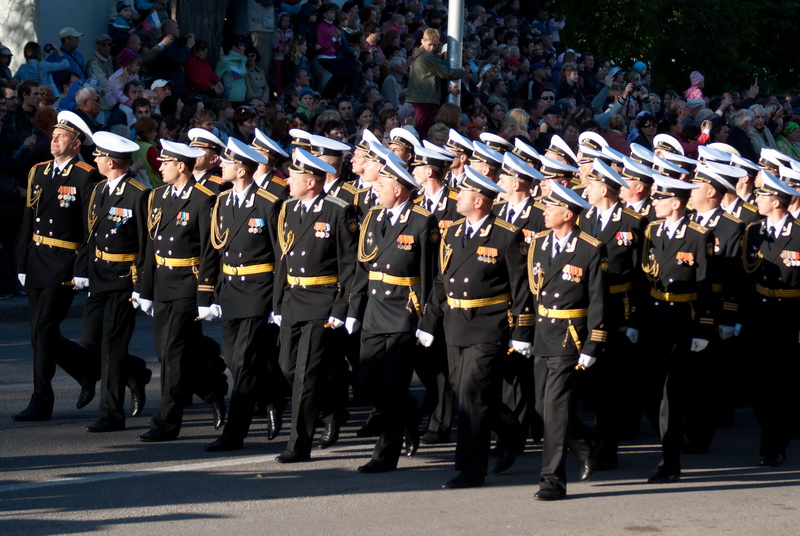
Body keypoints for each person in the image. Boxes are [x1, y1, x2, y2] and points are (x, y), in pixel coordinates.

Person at [416, 167, 532, 489]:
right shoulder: (453, 232)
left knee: (473, 394)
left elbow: (521, 288)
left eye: (464, 193)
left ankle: (471, 468)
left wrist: (522, 332)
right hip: (456, 324)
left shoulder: (506, 235)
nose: (458, 196)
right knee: (468, 391)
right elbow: (442, 279)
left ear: (480, 201)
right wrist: (429, 321)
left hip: (488, 326)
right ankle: (510, 430)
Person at [346, 149, 438, 472]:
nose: (378, 190)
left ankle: (384, 456)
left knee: (394, 384)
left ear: (398, 189)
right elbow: (362, 268)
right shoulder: (373, 217)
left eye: (383, 184)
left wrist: (427, 321)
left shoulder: (423, 222)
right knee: (367, 381)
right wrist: (353, 311)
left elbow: (430, 277)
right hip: (374, 310)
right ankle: (408, 414)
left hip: (403, 311)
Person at [136, 139, 227, 442]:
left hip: (188, 283)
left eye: (165, 162)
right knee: (169, 353)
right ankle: (213, 390)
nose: (159, 167)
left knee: (173, 352)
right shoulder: (158, 196)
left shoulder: (203, 199)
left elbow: (208, 251)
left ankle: (166, 421)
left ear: (181, 166)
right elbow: (150, 246)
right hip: (163, 282)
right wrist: (145, 289)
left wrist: (205, 294)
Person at [272, 148, 358, 463]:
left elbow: (349, 266)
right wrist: (277, 302)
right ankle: (333, 409)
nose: (287, 182)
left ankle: (298, 445)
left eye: (293, 177)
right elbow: (284, 258)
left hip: (322, 302)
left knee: (306, 375)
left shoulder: (339, 211)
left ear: (311, 182)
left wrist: (340, 309)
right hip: (294, 299)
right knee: (288, 368)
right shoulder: (288, 209)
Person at [628, 172, 714, 484]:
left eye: (659, 199)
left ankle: (671, 461)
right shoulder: (650, 230)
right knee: (649, 389)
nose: (654, 203)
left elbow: (704, 287)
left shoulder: (698, 235)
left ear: (675, 203)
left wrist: (704, 328)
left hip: (682, 318)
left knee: (673, 394)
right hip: (652, 317)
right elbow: (641, 279)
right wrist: (635, 320)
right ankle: (673, 442)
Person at [13, 112, 99, 422]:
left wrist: (81, 267)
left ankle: (41, 399)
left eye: (61, 136)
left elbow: (91, 228)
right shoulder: (38, 171)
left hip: (63, 264)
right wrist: (21, 262)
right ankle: (90, 369)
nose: (54, 139)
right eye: (53, 135)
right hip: (37, 260)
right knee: (39, 336)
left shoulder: (85, 175)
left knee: (44, 330)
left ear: (76, 143)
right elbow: (27, 220)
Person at [526, 180, 607, 501]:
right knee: (542, 408)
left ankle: (552, 481)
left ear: (569, 214)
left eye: (553, 208)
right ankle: (585, 444)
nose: (546, 213)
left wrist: (592, 344)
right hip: (543, 333)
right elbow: (532, 293)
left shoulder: (589, 248)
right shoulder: (540, 243)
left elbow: (599, 300)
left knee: (556, 410)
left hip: (569, 338)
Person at [204, 137, 284, 451]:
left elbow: (280, 257)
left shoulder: (267, 203)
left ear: (241, 171)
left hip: (258, 291)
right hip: (230, 291)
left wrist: (277, 302)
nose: (221, 165)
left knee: (244, 361)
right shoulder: (221, 202)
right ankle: (273, 396)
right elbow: (213, 250)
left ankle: (234, 433)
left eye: (227, 162)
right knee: (236, 361)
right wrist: (207, 293)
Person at [81, 131, 153, 431]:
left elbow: (146, 245)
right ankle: (134, 371)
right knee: (90, 340)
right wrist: (82, 269)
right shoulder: (99, 190)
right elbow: (91, 234)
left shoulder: (138, 194)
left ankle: (111, 412)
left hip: (124, 280)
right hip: (99, 275)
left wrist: (142, 288)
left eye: (98, 156)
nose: (95, 159)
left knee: (112, 345)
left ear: (110, 161)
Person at [741, 171, 800, 467]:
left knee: (781, 383)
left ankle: (774, 445)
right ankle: (776, 430)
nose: (757, 198)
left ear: (777, 201)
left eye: (763, 195)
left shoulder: (799, 233)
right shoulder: (753, 231)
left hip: (788, 317)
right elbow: (742, 276)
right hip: (758, 315)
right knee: (755, 384)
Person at [406, 29, 464, 140]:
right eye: (430, 45)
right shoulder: (427, 57)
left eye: (435, 45)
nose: (432, 48)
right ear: (422, 41)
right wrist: (461, 71)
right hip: (425, 100)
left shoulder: (418, 56)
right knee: (424, 132)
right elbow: (446, 73)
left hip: (422, 99)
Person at [216, 35, 249, 104]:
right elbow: (216, 76)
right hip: (230, 98)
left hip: (242, 97)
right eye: (242, 46)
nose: (244, 48)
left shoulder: (243, 59)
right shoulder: (225, 60)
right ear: (234, 47)